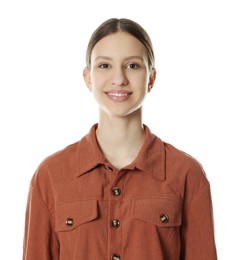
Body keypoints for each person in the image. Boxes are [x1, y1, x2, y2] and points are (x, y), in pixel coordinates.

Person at [23, 18, 217, 260]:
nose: (119, 78)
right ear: (88, 77)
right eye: (104, 66)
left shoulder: (187, 174)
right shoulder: (50, 175)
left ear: (151, 78)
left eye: (133, 66)